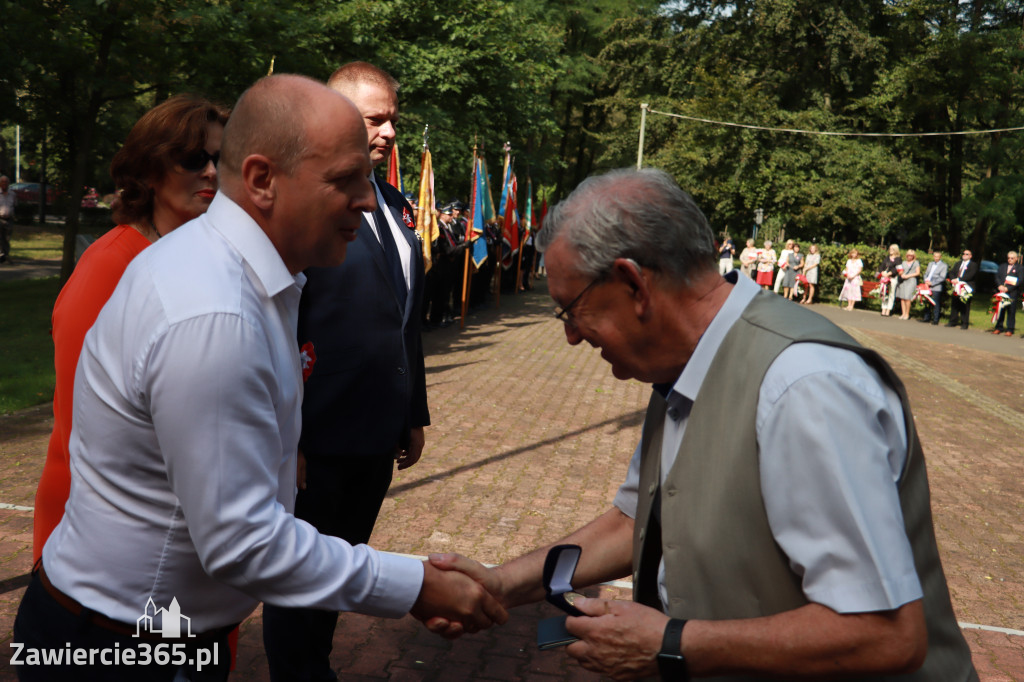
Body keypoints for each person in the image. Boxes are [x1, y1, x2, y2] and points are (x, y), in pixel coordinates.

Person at [13, 74, 504, 682]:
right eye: (342, 182)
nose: (369, 201)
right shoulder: (215, 312)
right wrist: (414, 584)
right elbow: (242, 542)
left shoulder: (239, 277)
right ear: (262, 180)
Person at [429, 168, 977, 681]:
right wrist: (501, 583)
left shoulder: (803, 387)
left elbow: (885, 633)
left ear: (633, 285)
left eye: (570, 310)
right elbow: (635, 523)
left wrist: (672, 643)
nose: (572, 335)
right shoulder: (683, 367)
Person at [261, 63, 432, 682]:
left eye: (392, 119)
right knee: (299, 575)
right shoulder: (304, 201)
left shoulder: (392, 202)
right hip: (318, 430)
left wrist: (414, 411)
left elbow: (404, 316)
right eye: (373, 118)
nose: (387, 131)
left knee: (342, 562)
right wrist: (289, 435)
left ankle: (315, 662)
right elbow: (281, 320)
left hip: (376, 428)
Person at [32, 95, 229, 565]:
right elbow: (80, 422)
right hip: (99, 538)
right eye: (192, 158)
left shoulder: (199, 255)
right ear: (149, 169)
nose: (211, 173)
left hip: (180, 530)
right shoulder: (109, 266)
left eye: (221, 159)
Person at [947, 249, 978, 329]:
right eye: (963, 253)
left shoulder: (973, 265)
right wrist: (953, 279)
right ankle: (953, 321)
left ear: (970, 256)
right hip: (956, 286)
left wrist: (959, 280)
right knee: (955, 304)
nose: (964, 255)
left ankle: (964, 323)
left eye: (967, 254)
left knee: (965, 305)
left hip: (966, 287)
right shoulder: (958, 263)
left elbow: (971, 275)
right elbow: (952, 272)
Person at [992, 251, 1021, 336]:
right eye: (1008, 258)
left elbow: (1020, 281)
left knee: (1011, 311)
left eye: (1012, 258)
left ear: (1016, 259)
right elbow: (997, 277)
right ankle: (998, 327)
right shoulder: (1002, 266)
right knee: (1000, 309)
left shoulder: (1020, 268)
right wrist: (1000, 286)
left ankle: (1010, 329)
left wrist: (1008, 288)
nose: (1010, 260)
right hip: (1001, 291)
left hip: (1012, 293)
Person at [919, 251, 948, 325]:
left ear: (940, 257)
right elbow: (926, 274)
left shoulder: (944, 265)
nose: (936, 258)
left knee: (935, 303)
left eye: (937, 256)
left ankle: (935, 319)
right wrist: (926, 280)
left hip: (936, 287)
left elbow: (942, 277)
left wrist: (932, 283)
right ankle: (926, 317)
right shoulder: (930, 264)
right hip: (927, 286)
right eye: (935, 256)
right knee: (927, 302)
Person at [895, 249, 920, 320]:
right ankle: (903, 313)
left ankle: (907, 314)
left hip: (911, 280)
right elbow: (900, 271)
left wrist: (908, 276)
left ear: (913, 256)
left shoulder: (916, 263)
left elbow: (917, 273)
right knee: (902, 298)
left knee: (908, 298)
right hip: (903, 281)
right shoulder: (903, 262)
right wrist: (901, 274)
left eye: (911, 255)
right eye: (908, 255)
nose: (910, 257)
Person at [880, 244, 902, 317]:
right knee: (884, 293)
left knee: (891, 294)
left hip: (892, 278)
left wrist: (890, 273)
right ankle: (883, 308)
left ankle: (888, 310)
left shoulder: (898, 259)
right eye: (890, 249)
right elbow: (882, 266)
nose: (890, 250)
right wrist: (882, 272)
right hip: (884, 278)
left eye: (892, 249)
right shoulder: (887, 258)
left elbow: (897, 268)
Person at [0, 175, 17, 264]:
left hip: (9, 219)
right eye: (2, 182)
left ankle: (5, 256)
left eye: (6, 182)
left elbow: (15, 205)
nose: (4, 184)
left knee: (6, 238)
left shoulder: (13, 194)